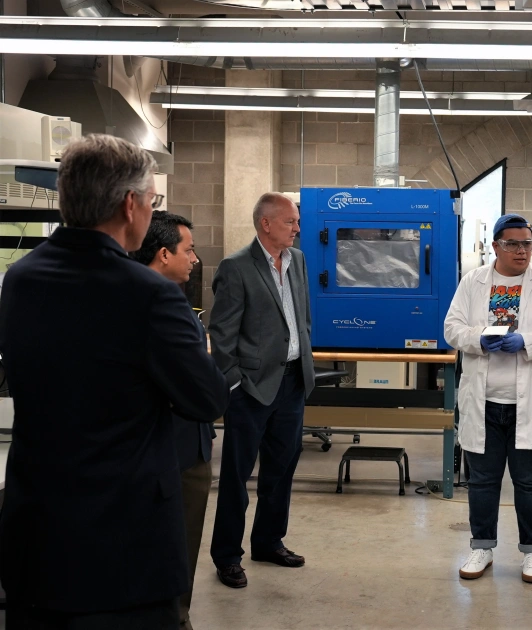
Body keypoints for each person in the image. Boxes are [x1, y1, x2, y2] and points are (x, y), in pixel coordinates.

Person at [0, 134, 229, 629]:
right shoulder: (149, 295)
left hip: (36, 535)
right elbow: (206, 398)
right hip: (123, 546)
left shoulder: (20, 279)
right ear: (131, 205)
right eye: (152, 200)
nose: (151, 210)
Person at [444, 213, 532, 584]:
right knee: (483, 481)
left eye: (528, 243)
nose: (522, 251)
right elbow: (452, 328)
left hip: (529, 401)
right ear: (496, 246)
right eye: (514, 244)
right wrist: (477, 339)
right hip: (483, 400)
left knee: (529, 483)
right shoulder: (474, 281)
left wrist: (527, 341)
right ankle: (481, 546)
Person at [208, 192, 315, 589]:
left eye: (296, 221)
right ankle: (227, 556)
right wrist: (236, 382)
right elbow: (220, 333)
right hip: (251, 387)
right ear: (266, 224)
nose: (297, 228)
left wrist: (305, 360)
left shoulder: (298, 261)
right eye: (290, 222)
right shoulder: (235, 267)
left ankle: (269, 541)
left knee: (281, 470)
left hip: (292, 381)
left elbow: (302, 317)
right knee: (236, 475)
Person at [130, 211, 212, 630]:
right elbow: (202, 388)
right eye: (189, 249)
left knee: (184, 547)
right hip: (167, 453)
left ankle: (178, 615)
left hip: (191, 447)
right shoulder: (147, 306)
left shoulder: (178, 303)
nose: (195, 258)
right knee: (165, 553)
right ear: (163, 254)